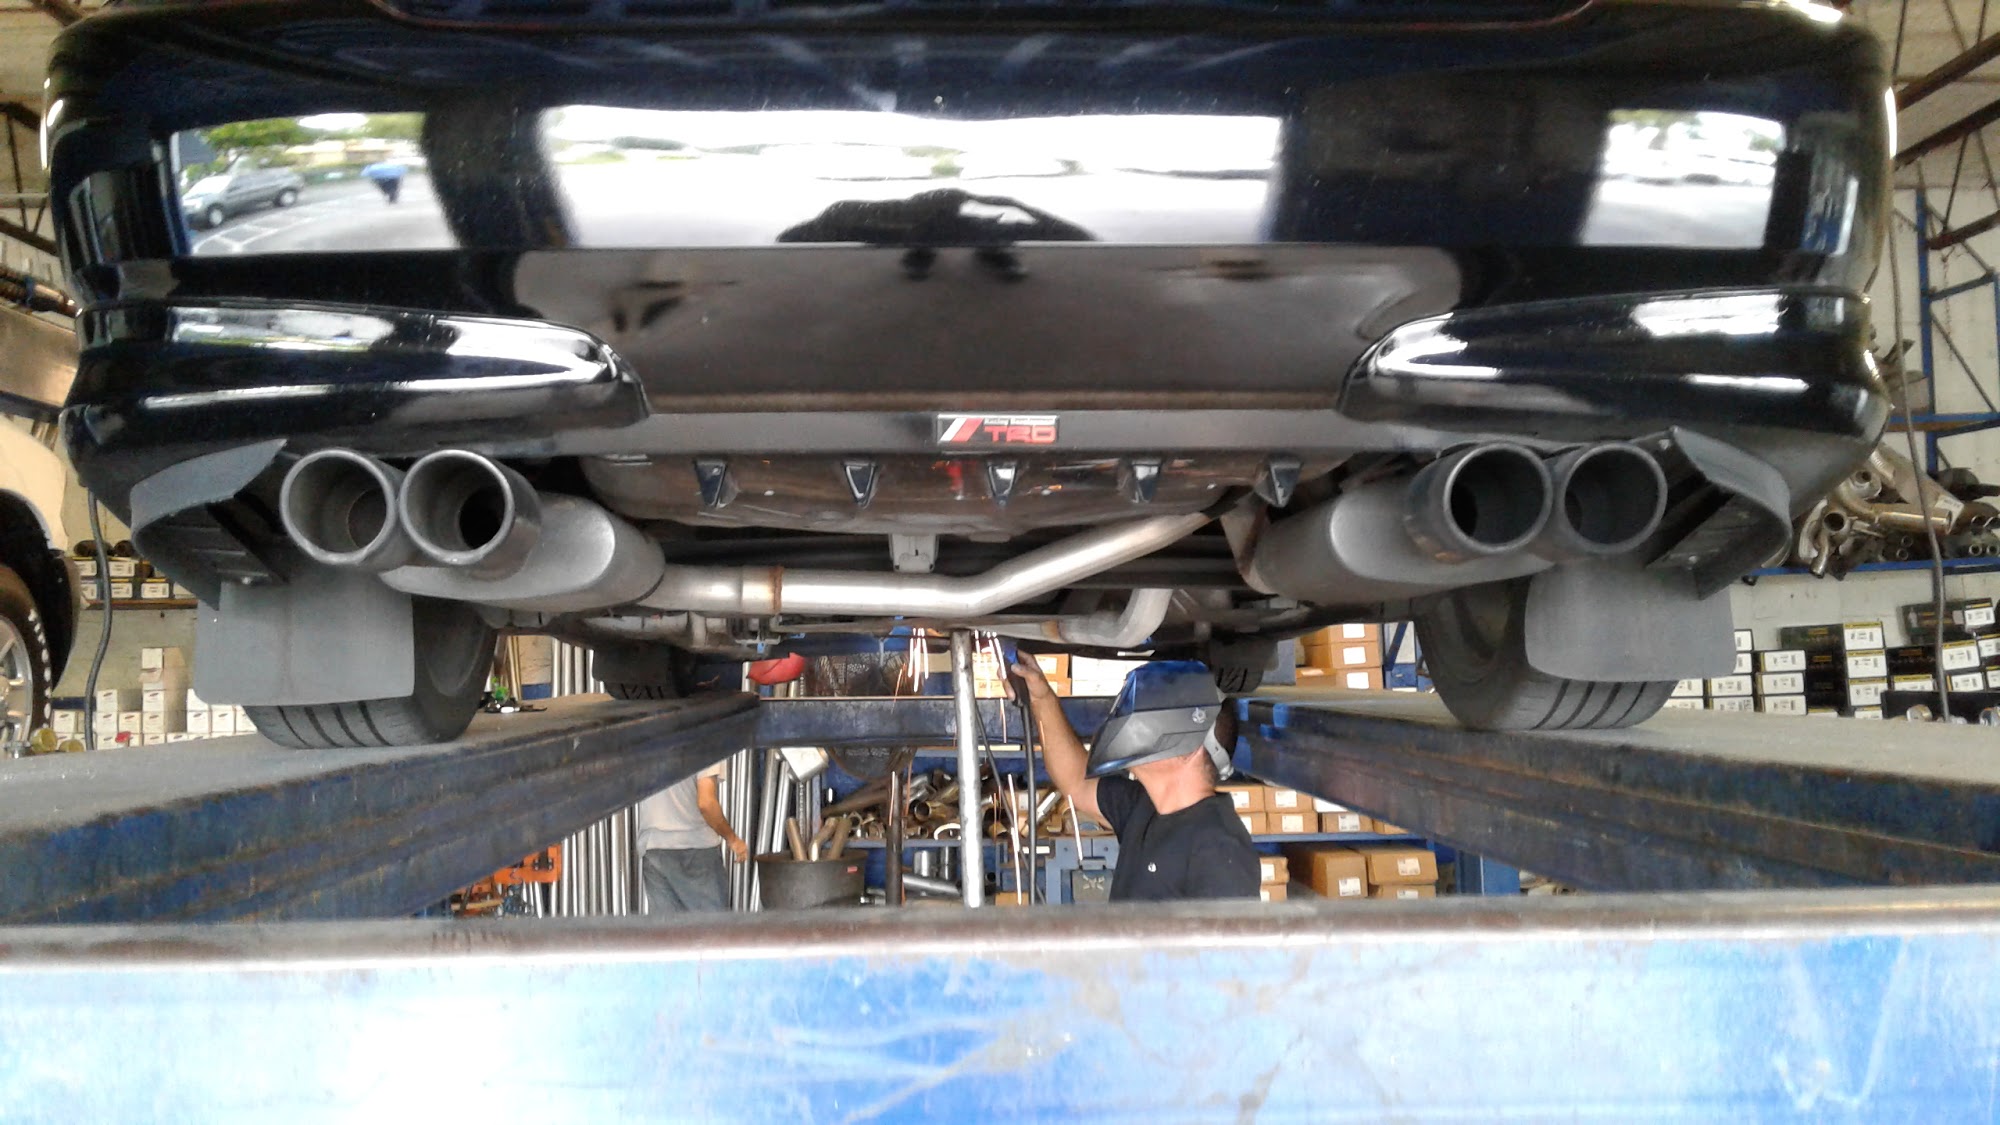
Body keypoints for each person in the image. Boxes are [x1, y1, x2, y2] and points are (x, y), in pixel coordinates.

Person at [1010, 657, 1260, 901]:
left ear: (1191, 748)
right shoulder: (1144, 806)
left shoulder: (1220, 850)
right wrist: (1041, 697)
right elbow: (1076, 781)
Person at [634, 760, 750, 915]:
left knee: (666, 928)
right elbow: (706, 804)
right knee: (711, 927)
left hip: (654, 846)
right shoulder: (707, 746)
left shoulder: (644, 746)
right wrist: (732, 839)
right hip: (696, 847)